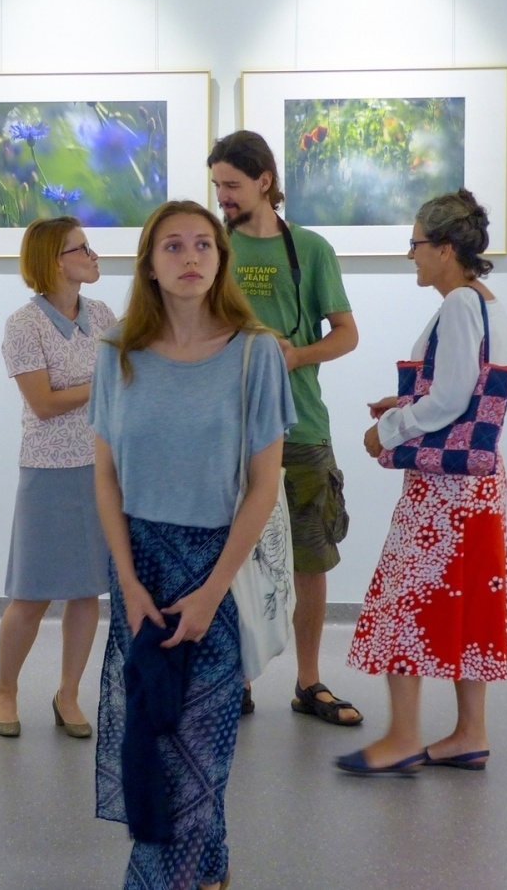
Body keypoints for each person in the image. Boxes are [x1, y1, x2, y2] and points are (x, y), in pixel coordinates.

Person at [91, 200, 295, 890]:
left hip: (218, 573)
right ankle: (209, 874)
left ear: (221, 259)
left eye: (203, 245)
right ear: (149, 262)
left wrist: (209, 594)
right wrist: (128, 580)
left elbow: (264, 486)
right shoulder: (117, 352)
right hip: (139, 569)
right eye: (173, 246)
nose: (190, 258)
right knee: (152, 739)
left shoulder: (255, 351)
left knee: (192, 756)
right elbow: (106, 477)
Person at [339, 189, 507, 776]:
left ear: (444, 249)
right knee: (466, 599)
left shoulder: (460, 304)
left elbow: (451, 397)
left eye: (415, 244)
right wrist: (411, 402)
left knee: (405, 600)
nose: (409, 255)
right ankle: (469, 731)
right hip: (475, 485)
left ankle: (404, 736)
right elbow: (469, 393)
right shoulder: (487, 303)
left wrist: (391, 427)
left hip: (445, 492)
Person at [207, 131, 362, 726]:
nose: (222, 196)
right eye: (217, 185)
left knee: (310, 558)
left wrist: (292, 356)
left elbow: (346, 334)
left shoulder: (312, 249)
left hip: (300, 425)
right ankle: (236, 678)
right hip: (223, 430)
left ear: (264, 181)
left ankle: (309, 681)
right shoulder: (209, 249)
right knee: (229, 557)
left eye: (232, 185)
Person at [0, 216, 116, 739]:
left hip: (102, 467)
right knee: (32, 594)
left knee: (88, 592)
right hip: (48, 471)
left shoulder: (104, 315)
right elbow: (43, 403)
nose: (93, 255)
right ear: (54, 260)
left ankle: (68, 693)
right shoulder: (24, 324)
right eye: (80, 248)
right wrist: (104, 382)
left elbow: (127, 383)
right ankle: (5, 689)